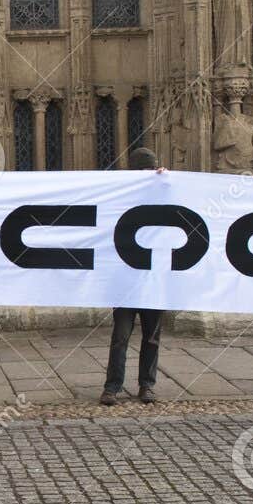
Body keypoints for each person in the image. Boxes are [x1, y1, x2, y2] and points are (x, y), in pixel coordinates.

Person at [101, 147, 167, 406]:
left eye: (150, 170)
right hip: (126, 280)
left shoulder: (163, 191)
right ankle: (112, 387)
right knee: (121, 336)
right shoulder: (122, 193)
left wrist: (167, 178)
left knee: (152, 337)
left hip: (153, 279)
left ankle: (146, 386)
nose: (146, 175)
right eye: (142, 170)